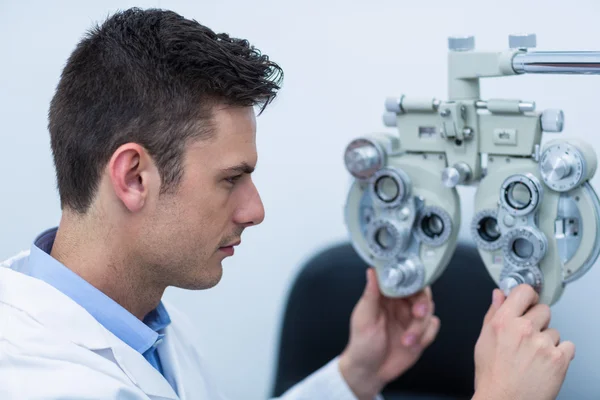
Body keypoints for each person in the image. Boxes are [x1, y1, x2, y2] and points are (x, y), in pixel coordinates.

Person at [0, 7, 575, 400]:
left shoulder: (144, 322)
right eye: (232, 179)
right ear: (133, 176)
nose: (255, 209)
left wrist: (354, 374)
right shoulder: (49, 381)